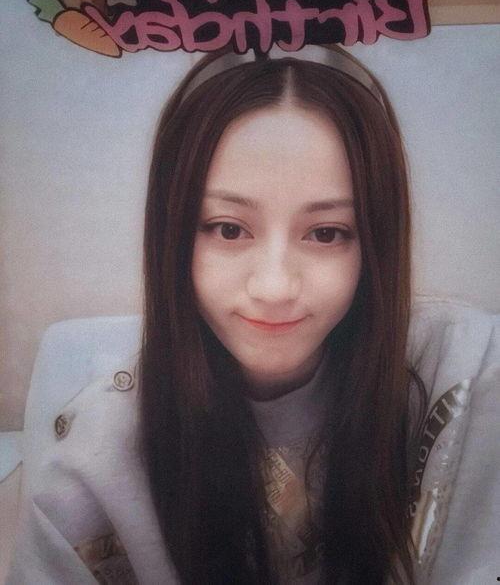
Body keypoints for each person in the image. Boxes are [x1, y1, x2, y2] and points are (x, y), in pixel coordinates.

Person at [7, 46, 499, 585]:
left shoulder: (464, 377)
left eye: (326, 233)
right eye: (228, 229)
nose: (274, 287)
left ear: (376, 242)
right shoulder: (95, 465)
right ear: (173, 236)